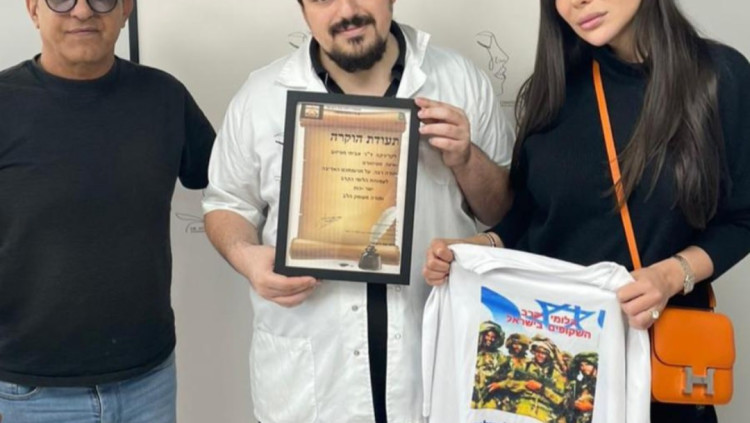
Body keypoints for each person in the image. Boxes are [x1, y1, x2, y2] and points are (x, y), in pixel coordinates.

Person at [423, 0, 750, 422]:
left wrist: (671, 276)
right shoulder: (555, 90)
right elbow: (532, 216)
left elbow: (743, 218)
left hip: (656, 379)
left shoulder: (719, 77)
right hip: (558, 375)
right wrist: (477, 249)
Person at [201, 0, 514, 421]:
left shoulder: (459, 81)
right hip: (314, 382)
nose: (347, 10)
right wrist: (246, 257)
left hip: (431, 367)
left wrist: (466, 157)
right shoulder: (261, 96)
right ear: (302, 9)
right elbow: (226, 202)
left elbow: (502, 212)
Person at [0, 0, 215, 421]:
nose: (82, 11)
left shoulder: (165, 97)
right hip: (28, 392)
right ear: (33, 9)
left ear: (126, 9)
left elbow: (234, 182)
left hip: (148, 382)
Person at [472, 321, 508, 409]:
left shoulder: (500, 356)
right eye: (488, 335)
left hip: (489, 396)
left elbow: (506, 376)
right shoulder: (474, 350)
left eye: (493, 337)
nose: (490, 339)